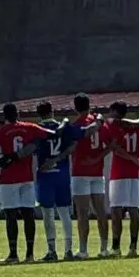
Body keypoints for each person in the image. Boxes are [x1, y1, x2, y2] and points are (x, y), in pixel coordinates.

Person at [0, 105, 58, 264]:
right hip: (27, 177)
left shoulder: (0, 131)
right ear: (18, 114)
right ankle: (30, 254)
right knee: (28, 214)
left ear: (4, 115)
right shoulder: (29, 127)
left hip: (8, 178)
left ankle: (13, 254)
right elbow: (51, 135)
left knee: (10, 215)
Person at [33, 102, 84, 262]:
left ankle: (51, 250)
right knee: (64, 213)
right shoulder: (64, 126)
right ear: (53, 111)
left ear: (39, 114)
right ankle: (68, 250)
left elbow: (32, 148)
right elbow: (76, 141)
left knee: (48, 214)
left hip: (45, 175)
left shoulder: (37, 129)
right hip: (62, 175)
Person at [69, 93, 111, 259]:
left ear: (75, 107)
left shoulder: (77, 125)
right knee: (101, 211)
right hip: (97, 171)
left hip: (80, 172)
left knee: (82, 213)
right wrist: (98, 158)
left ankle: (83, 249)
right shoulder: (100, 124)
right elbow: (111, 144)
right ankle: (103, 248)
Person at [104, 103, 139, 257]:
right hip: (133, 173)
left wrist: (129, 157)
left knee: (116, 211)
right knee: (133, 210)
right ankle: (132, 247)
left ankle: (116, 247)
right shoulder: (135, 126)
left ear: (115, 111)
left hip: (119, 174)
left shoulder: (113, 126)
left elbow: (115, 147)